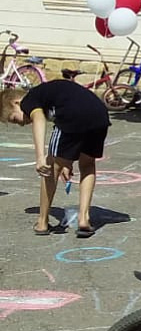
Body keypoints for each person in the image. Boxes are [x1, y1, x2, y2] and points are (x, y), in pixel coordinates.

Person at [2, 81, 109, 237]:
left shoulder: (29, 99)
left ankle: (42, 222)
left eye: (14, 119)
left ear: (16, 102)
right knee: (87, 165)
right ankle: (84, 219)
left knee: (50, 168)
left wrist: (40, 157)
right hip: (99, 115)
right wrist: (67, 161)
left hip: (73, 114)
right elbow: (78, 115)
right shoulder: (49, 95)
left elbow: (39, 119)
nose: (20, 124)